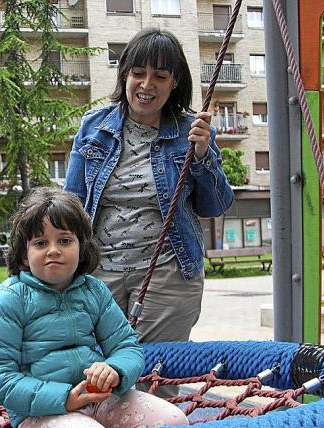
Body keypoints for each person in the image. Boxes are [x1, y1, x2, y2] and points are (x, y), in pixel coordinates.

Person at [64, 28, 234, 347]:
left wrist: (202, 156)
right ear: (124, 75)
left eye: (159, 75)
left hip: (168, 274)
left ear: (175, 82)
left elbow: (215, 206)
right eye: (138, 73)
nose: (146, 85)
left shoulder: (192, 131)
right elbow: (71, 204)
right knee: (98, 378)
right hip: (99, 276)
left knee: (154, 378)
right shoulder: (93, 126)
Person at [0, 187, 188, 428]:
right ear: (25, 255)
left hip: (99, 399)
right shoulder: (10, 298)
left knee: (173, 421)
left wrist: (115, 370)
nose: (54, 249)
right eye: (40, 242)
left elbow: (126, 346)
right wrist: (63, 398)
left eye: (65, 240)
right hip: (40, 411)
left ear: (81, 247)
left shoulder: (93, 291)